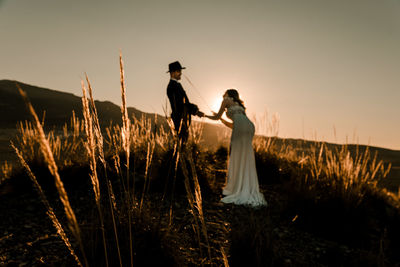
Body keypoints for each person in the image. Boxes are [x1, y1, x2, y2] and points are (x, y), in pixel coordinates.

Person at [206, 89, 267, 207]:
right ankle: (245, 185)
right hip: (249, 126)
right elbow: (233, 124)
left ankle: (236, 187)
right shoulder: (239, 105)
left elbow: (217, 117)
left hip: (240, 127)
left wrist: (205, 115)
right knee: (245, 154)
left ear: (228, 94)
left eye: (225, 93)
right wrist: (221, 119)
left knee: (236, 154)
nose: (223, 95)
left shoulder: (225, 100)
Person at [166, 61, 204, 143]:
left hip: (182, 119)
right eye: (178, 71)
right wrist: (195, 111)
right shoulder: (172, 86)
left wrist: (194, 110)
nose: (181, 73)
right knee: (181, 145)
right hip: (179, 119)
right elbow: (180, 104)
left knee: (183, 144)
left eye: (180, 71)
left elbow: (183, 102)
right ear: (172, 73)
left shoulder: (176, 85)